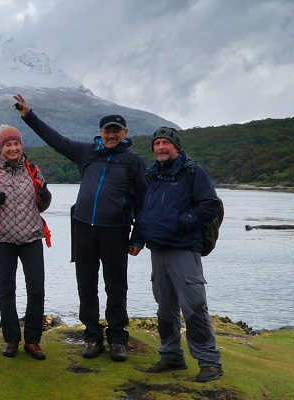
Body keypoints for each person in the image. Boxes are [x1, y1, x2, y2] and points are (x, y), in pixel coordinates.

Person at [13, 94, 147, 362]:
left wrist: (139, 237)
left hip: (116, 231)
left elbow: (143, 203)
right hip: (84, 229)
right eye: (107, 131)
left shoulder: (134, 162)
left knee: (116, 286)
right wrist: (29, 116)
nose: (112, 135)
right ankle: (92, 336)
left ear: (125, 133)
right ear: (101, 133)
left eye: (116, 131)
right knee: (86, 285)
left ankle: (118, 338)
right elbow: (55, 139)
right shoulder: (86, 153)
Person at [135, 127, 224, 382]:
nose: (161, 147)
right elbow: (145, 211)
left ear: (176, 146)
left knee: (194, 307)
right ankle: (171, 356)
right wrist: (138, 239)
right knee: (165, 308)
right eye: (157, 143)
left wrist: (181, 221)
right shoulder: (152, 175)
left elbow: (210, 205)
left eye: (166, 143)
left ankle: (210, 363)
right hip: (157, 250)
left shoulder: (193, 172)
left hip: (184, 250)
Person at [0, 125, 53, 360]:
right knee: (6, 290)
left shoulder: (33, 170)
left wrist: (46, 199)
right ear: (1, 148)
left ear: (21, 145)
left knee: (37, 290)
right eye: (8, 144)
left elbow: (41, 204)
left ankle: (33, 340)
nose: (13, 148)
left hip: (31, 237)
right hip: (4, 240)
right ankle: (11, 340)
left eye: (16, 143)